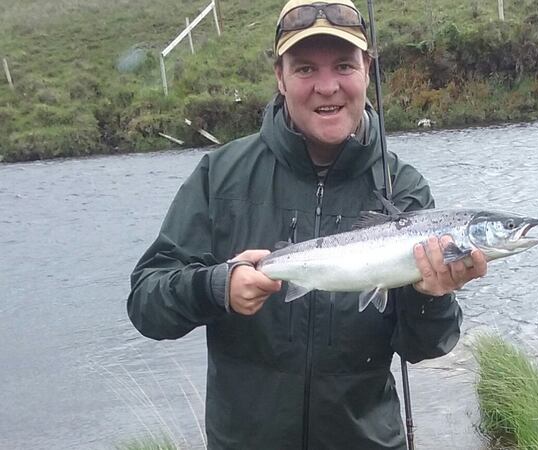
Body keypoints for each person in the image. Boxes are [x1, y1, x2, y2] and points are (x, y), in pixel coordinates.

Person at [127, 0, 488, 448]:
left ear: (367, 70)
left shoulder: (404, 187)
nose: (327, 86)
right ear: (279, 76)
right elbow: (145, 303)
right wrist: (217, 286)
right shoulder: (220, 176)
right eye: (304, 70)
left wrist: (432, 297)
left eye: (343, 65)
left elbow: (426, 347)